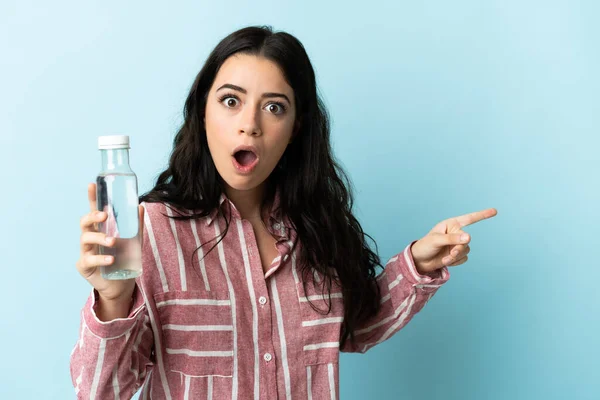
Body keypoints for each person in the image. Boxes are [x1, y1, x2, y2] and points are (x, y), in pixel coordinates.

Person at [71, 25, 497, 399]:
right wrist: (113, 301)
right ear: (203, 113)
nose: (250, 124)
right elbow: (99, 392)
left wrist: (418, 263)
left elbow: (352, 328)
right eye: (231, 101)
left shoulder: (316, 228)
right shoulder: (151, 232)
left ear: (295, 129)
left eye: (274, 107)